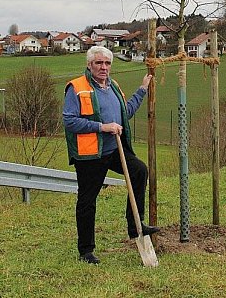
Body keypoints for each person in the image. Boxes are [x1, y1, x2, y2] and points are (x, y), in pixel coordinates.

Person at [63, 46, 158, 264]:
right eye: (99, 63)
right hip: (90, 155)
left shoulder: (113, 86)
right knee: (87, 200)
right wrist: (102, 127)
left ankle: (135, 226)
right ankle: (86, 251)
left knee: (139, 171)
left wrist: (142, 90)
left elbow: (125, 113)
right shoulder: (76, 88)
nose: (103, 67)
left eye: (107, 63)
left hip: (114, 149)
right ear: (89, 65)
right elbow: (69, 121)